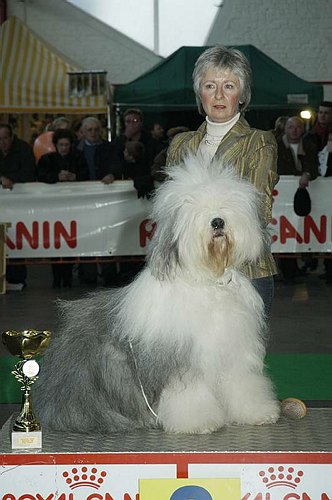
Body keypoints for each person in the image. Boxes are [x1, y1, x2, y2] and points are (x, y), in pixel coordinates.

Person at [166, 46, 279, 320]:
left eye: (228, 85)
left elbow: (257, 211)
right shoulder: (181, 144)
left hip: (245, 272)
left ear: (242, 95)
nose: (218, 95)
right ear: (199, 93)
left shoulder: (259, 142)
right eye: (210, 85)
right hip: (188, 273)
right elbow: (170, 214)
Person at [37, 129, 89, 288]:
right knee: (56, 242)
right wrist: (56, 177)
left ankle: (67, 277)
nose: (64, 148)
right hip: (54, 208)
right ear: (56, 145)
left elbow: (86, 175)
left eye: (67, 145)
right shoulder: (47, 159)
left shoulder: (78, 157)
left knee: (70, 241)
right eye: (61, 145)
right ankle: (57, 276)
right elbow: (40, 176)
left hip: (72, 207)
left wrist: (74, 177)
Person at [276, 116, 319, 281]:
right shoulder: (276, 146)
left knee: (302, 229)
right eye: (291, 127)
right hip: (282, 198)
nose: (294, 130)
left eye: (297, 127)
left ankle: (301, 265)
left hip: (301, 196)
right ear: (285, 129)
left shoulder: (309, 145)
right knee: (284, 232)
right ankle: (288, 271)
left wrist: (307, 174)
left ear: (302, 129)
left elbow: (314, 166)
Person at [0, 122, 36, 287]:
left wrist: (11, 178)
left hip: (19, 205)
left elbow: (29, 172)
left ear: (12, 137)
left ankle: (17, 278)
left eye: (5, 138)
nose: (2, 142)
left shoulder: (23, 149)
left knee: (18, 238)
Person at [110, 109, 162, 197]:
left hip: (145, 182)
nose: (131, 124)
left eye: (135, 121)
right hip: (125, 183)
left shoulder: (151, 142)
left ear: (141, 123)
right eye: (128, 121)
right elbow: (113, 156)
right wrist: (125, 136)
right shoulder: (119, 141)